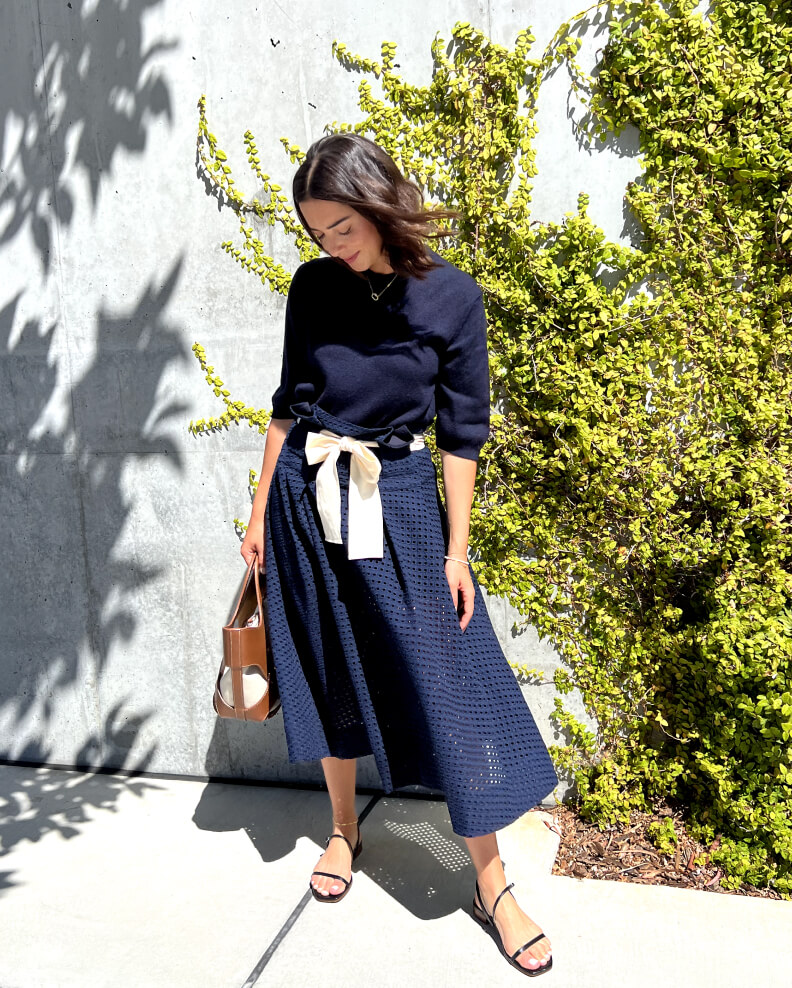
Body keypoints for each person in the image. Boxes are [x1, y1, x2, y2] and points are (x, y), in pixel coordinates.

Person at [240, 132, 558, 977]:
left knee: (450, 690)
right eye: (316, 233)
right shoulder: (313, 288)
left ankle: (492, 883)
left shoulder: (450, 297)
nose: (330, 247)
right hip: (309, 500)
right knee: (328, 669)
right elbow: (286, 406)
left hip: (403, 502)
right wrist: (260, 509)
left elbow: (462, 436)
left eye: (342, 227)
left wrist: (457, 551)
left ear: (380, 207)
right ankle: (344, 832)